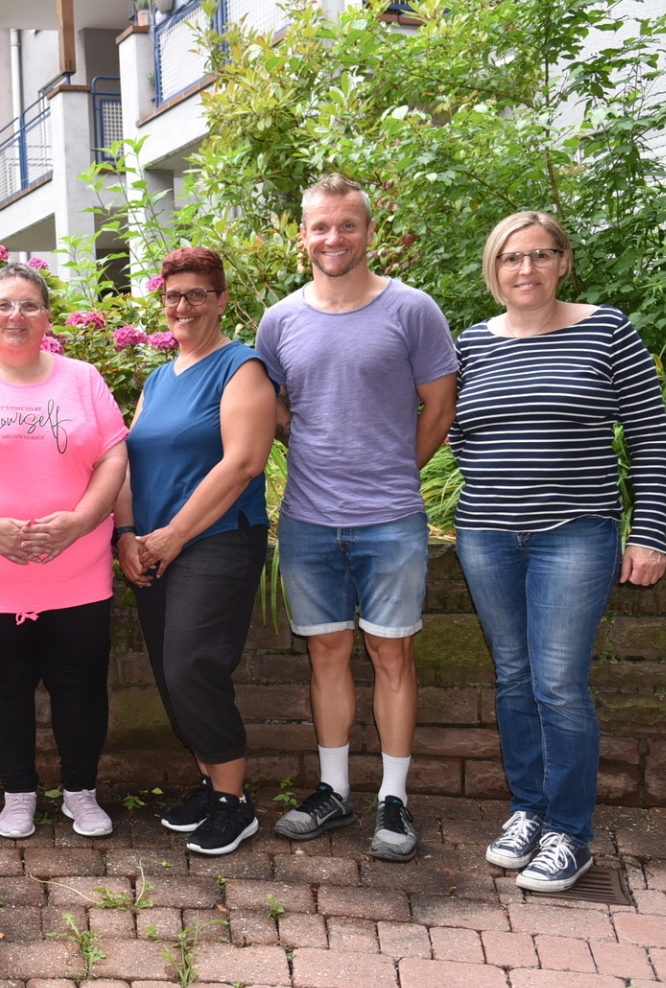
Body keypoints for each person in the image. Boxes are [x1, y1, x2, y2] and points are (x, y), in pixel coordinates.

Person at [450, 211, 666, 892]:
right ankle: (528, 811)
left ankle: (570, 834)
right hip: (485, 533)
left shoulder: (604, 329)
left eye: (540, 255)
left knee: (557, 684)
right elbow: (452, 431)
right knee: (513, 678)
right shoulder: (469, 343)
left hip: (574, 534)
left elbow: (649, 433)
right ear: (494, 269)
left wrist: (649, 530)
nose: (526, 269)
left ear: (563, 262)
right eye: (511, 258)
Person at [256, 173, 458, 861]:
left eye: (345, 225)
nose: (332, 237)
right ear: (302, 235)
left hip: (390, 518)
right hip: (308, 519)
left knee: (392, 654)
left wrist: (398, 469)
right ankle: (334, 792)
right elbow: (272, 408)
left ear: (367, 231)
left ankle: (393, 801)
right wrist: (306, 440)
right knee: (326, 654)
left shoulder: (411, 310)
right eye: (319, 226)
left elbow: (440, 405)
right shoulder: (280, 319)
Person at [0, 261, 129, 840]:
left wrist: (83, 522)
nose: (16, 316)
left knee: (81, 685)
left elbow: (114, 457)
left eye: (29, 305)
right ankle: (17, 795)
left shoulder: (82, 378)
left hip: (77, 569)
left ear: (47, 317)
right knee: (3, 685)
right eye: (4, 304)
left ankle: (81, 794)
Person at [113, 247, 275, 856]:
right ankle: (210, 785)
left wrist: (172, 536)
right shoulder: (159, 377)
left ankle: (235, 801)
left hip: (216, 541)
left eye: (197, 294)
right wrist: (126, 536)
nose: (183, 306)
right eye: (173, 295)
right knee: (167, 671)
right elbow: (127, 460)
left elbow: (243, 463)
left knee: (191, 667)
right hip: (152, 546)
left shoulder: (242, 368)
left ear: (221, 300)